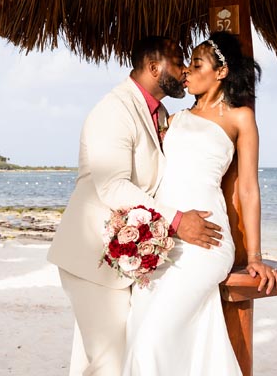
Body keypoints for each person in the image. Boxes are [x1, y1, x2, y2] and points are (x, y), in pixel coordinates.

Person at [49, 36, 224, 376]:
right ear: (154, 67)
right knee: (111, 363)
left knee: (100, 362)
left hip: (123, 260)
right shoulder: (113, 110)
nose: (184, 68)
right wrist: (177, 221)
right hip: (90, 257)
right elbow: (112, 185)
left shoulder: (160, 114)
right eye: (177, 61)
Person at [123, 32, 277, 375]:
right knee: (140, 331)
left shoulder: (241, 118)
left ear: (220, 72)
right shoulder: (173, 118)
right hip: (164, 241)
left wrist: (254, 257)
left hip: (207, 243)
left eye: (195, 65)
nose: (186, 72)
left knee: (152, 339)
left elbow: (248, 190)